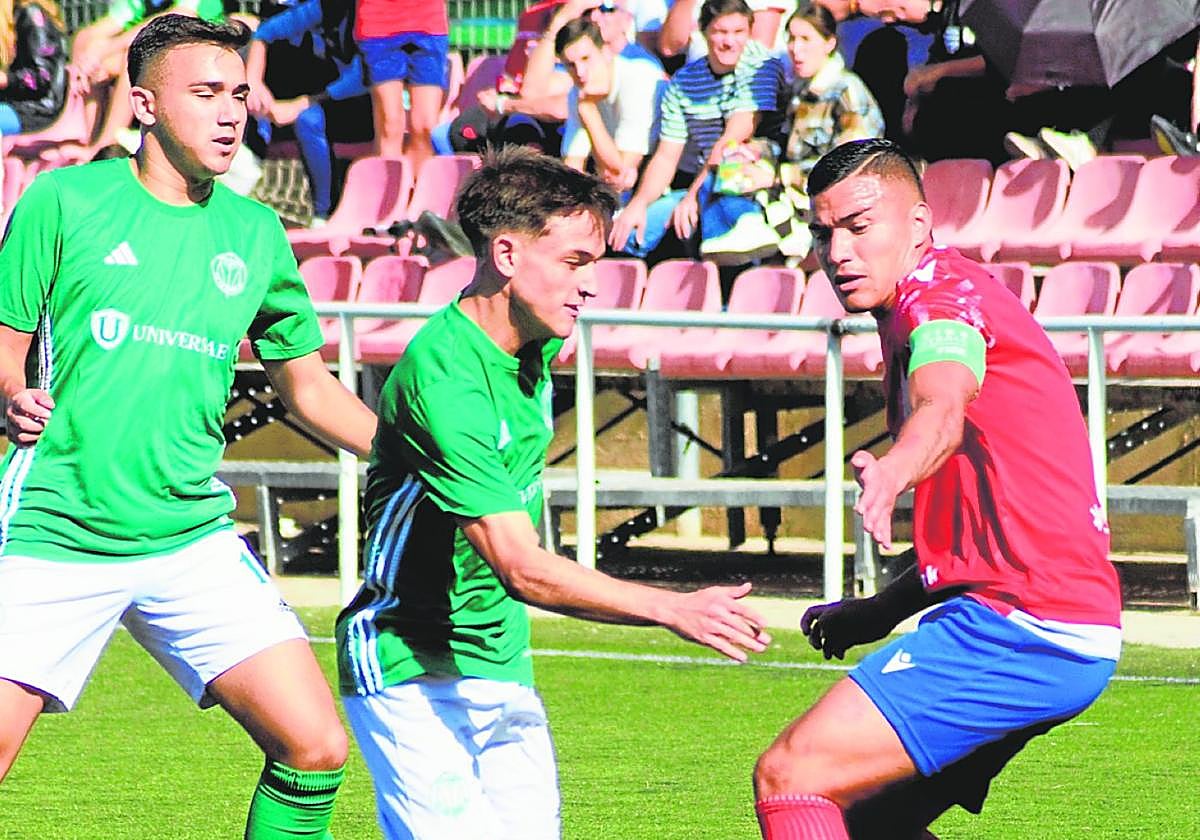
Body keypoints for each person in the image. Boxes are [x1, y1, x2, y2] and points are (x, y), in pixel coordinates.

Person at [0, 15, 378, 839]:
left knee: (314, 747)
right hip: (56, 528)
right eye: (205, 93)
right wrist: (9, 392)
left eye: (239, 93)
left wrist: (414, 457)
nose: (230, 111)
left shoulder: (256, 231)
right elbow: (5, 347)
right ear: (143, 104)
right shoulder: (64, 200)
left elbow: (309, 389)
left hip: (187, 536)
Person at [335, 146, 771, 840]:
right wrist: (670, 607)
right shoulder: (445, 380)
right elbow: (522, 567)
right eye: (574, 263)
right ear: (507, 255)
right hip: (408, 663)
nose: (591, 284)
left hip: (501, 659)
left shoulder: (534, 343)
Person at [751, 138, 1122, 839]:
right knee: (869, 820)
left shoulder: (940, 302)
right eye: (823, 232)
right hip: (1043, 616)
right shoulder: (920, 305)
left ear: (919, 226)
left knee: (791, 776)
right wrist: (881, 610)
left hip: (1027, 628)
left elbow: (942, 405)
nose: (838, 252)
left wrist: (894, 469)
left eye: (859, 227)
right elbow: (976, 532)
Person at [609, 0, 786, 264]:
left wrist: (692, 196)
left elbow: (731, 140)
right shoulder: (683, 82)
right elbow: (667, 156)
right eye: (720, 32)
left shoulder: (761, 67)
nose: (729, 42)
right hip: (701, 179)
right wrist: (639, 203)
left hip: (746, 178)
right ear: (704, 32)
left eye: (738, 33)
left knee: (732, 159)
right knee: (631, 231)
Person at [245, 0, 367, 226]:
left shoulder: (369, 11)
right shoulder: (324, 7)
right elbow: (265, 33)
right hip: (337, 104)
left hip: (369, 109)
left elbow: (362, 76)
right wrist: (253, 81)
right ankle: (321, 215)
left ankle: (329, 211)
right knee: (308, 120)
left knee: (307, 116)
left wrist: (301, 103)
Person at [555, 16, 666, 196]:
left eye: (586, 58)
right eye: (570, 65)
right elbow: (572, 165)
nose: (580, 72)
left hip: (671, 174)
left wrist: (587, 109)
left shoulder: (637, 79)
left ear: (606, 52)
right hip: (624, 174)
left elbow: (619, 169)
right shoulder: (578, 91)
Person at [355, 0, 448, 174]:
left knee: (426, 127)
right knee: (390, 124)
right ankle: (389, 193)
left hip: (429, 25)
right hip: (379, 25)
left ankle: (415, 193)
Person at [0, 0, 67, 136]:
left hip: (37, 108)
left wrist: (7, 79)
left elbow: (43, 77)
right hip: (15, 104)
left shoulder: (33, 14)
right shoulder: (13, 18)